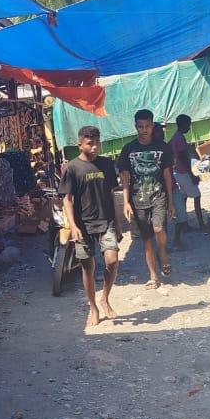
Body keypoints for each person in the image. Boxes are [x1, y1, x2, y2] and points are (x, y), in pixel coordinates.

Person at [59, 126, 120, 329]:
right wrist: (73, 226)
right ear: (80, 144)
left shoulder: (106, 164)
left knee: (111, 260)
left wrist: (118, 223)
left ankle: (105, 298)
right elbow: (67, 200)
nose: (94, 147)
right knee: (88, 266)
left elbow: (112, 194)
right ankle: (93, 306)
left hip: (106, 221)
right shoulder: (73, 168)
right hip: (83, 225)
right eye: (89, 143)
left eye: (97, 142)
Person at [118, 110, 175, 289]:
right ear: (136, 127)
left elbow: (167, 175)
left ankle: (163, 253)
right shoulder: (128, 149)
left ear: (152, 126)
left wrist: (171, 201)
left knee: (158, 228)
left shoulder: (163, 147)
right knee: (147, 239)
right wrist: (126, 202)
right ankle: (153, 276)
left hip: (159, 196)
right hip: (138, 200)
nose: (144, 130)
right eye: (140, 126)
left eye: (147, 126)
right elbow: (125, 178)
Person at [169, 115, 204, 246]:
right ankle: (201, 224)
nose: (189, 127)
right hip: (183, 172)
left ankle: (185, 224)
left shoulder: (175, 137)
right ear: (183, 124)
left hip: (178, 172)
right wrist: (192, 175)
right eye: (188, 125)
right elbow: (184, 157)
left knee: (184, 197)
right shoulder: (180, 138)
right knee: (197, 195)